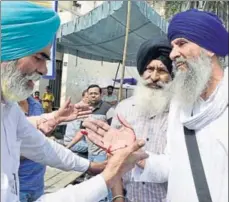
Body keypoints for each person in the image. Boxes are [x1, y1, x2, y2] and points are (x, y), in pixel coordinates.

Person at [1, 2, 148, 202]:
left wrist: (91, 167)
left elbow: (42, 147)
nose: (44, 70)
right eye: (38, 57)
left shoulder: (8, 108)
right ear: (6, 51)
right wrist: (107, 176)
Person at [84, 9, 228, 202]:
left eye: (181, 44)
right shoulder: (182, 106)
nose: (174, 54)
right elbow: (171, 165)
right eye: (173, 46)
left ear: (209, 47)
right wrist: (134, 153)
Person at [111, 37, 173, 202]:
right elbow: (113, 158)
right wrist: (118, 197)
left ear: (171, 76)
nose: (153, 77)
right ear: (141, 72)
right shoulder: (123, 109)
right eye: (149, 69)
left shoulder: (179, 112)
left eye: (162, 70)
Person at [18, 96, 46, 202]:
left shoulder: (36, 105)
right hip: (17, 184)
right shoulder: (6, 107)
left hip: (37, 180)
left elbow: (42, 136)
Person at [64, 90, 89, 154]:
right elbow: (81, 132)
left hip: (73, 140)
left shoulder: (79, 106)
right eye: (87, 97)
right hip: (74, 142)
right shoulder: (82, 109)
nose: (89, 98)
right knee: (93, 148)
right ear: (83, 98)